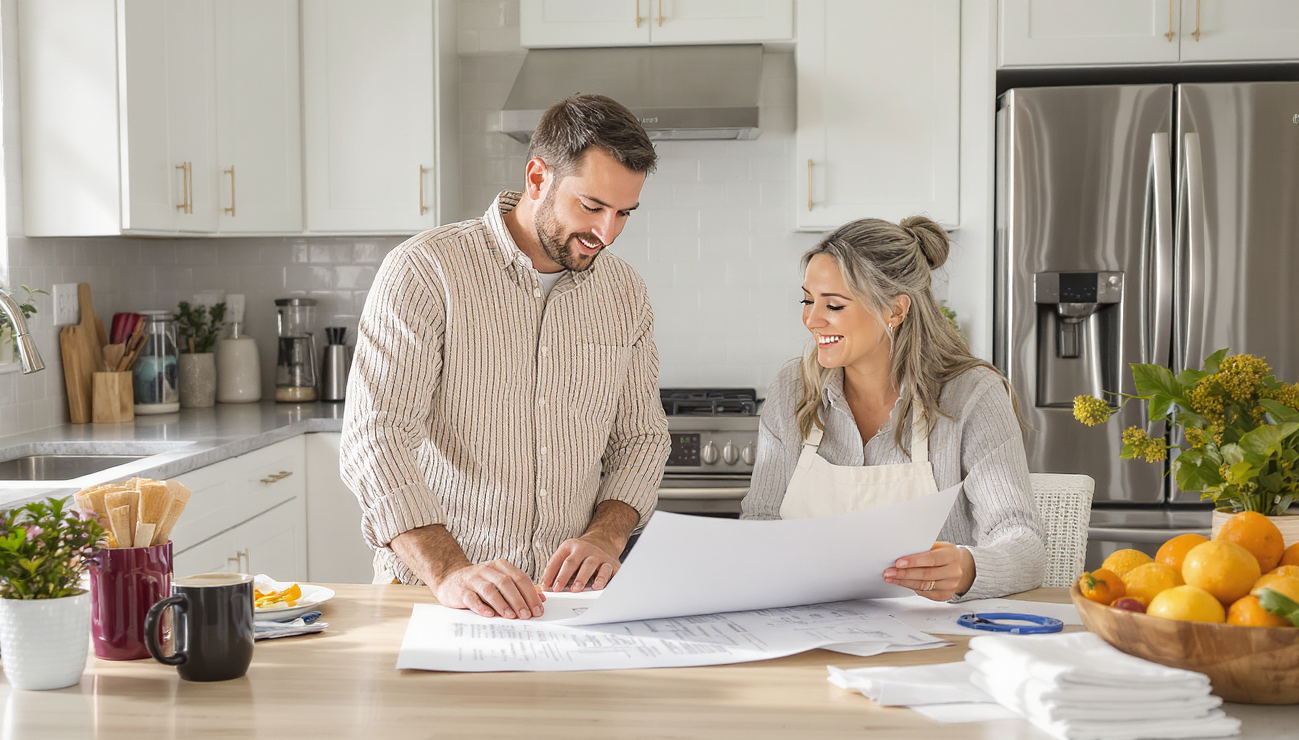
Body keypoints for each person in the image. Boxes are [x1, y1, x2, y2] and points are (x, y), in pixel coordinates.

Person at [341, 95, 670, 620]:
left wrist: (607, 537)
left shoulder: (624, 292)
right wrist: (449, 572)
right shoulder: (427, 271)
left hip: (565, 609)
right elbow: (375, 437)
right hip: (435, 601)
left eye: (623, 213)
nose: (607, 233)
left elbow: (640, 440)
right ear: (538, 178)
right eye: (591, 206)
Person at [742, 217, 1046, 601]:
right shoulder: (793, 389)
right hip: (808, 628)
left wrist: (970, 568)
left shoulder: (971, 395)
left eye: (833, 305)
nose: (811, 319)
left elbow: (1024, 544)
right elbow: (760, 523)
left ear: (896, 310)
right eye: (807, 300)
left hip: (934, 637)